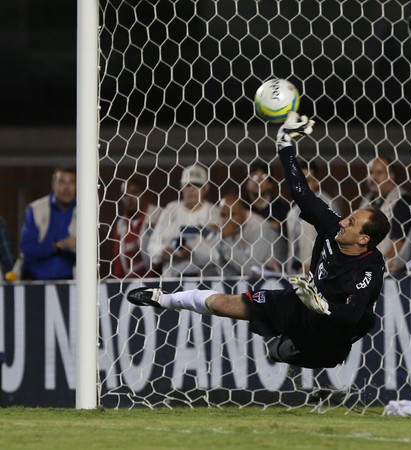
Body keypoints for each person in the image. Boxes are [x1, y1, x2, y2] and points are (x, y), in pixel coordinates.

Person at [128, 113, 391, 368]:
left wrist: (324, 307)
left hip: (329, 334)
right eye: (348, 217)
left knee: (295, 353)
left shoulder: (370, 267)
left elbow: (354, 313)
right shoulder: (331, 227)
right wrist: (284, 144)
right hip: (299, 305)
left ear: (364, 240)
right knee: (225, 304)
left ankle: (287, 350)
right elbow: (301, 192)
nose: (343, 222)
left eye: (352, 223)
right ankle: (162, 299)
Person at [146, 164, 221, 278]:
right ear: (181, 186)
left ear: (206, 188)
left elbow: (220, 254)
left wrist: (193, 253)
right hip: (173, 280)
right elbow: (152, 246)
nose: (191, 189)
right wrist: (163, 252)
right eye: (188, 185)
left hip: (206, 280)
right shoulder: (171, 210)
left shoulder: (215, 213)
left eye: (197, 185)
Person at [18, 166, 77, 280]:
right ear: (53, 185)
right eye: (62, 182)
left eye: (71, 182)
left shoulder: (85, 212)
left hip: (71, 282)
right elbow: (26, 248)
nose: (66, 188)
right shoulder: (36, 209)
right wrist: (58, 246)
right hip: (35, 281)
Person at [358, 155, 411, 266]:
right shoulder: (365, 201)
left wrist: (378, 264)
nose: (373, 177)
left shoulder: (402, 200)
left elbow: (400, 241)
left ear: (391, 175)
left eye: (379, 172)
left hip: (388, 270)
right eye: (370, 172)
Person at [285, 159, 342, 274]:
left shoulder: (326, 206)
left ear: (316, 182)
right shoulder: (293, 211)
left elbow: (335, 241)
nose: (302, 185)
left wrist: (315, 265)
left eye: (307, 181)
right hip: (296, 273)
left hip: (319, 272)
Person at [212, 193, 281, 276]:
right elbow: (221, 267)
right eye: (223, 215)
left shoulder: (260, 228)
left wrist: (227, 240)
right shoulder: (229, 229)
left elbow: (250, 269)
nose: (227, 220)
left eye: (232, 214)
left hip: (276, 280)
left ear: (243, 213)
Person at [244, 160, 291, 268]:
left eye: (263, 177)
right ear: (246, 183)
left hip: (277, 262)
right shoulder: (241, 209)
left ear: (270, 184)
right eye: (253, 177)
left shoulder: (283, 209)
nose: (258, 181)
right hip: (248, 260)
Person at [112, 177, 161, 278]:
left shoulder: (158, 215)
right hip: (131, 283)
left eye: (134, 193)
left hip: (157, 280)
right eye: (125, 195)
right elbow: (118, 258)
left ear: (144, 194)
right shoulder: (121, 225)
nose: (130, 198)